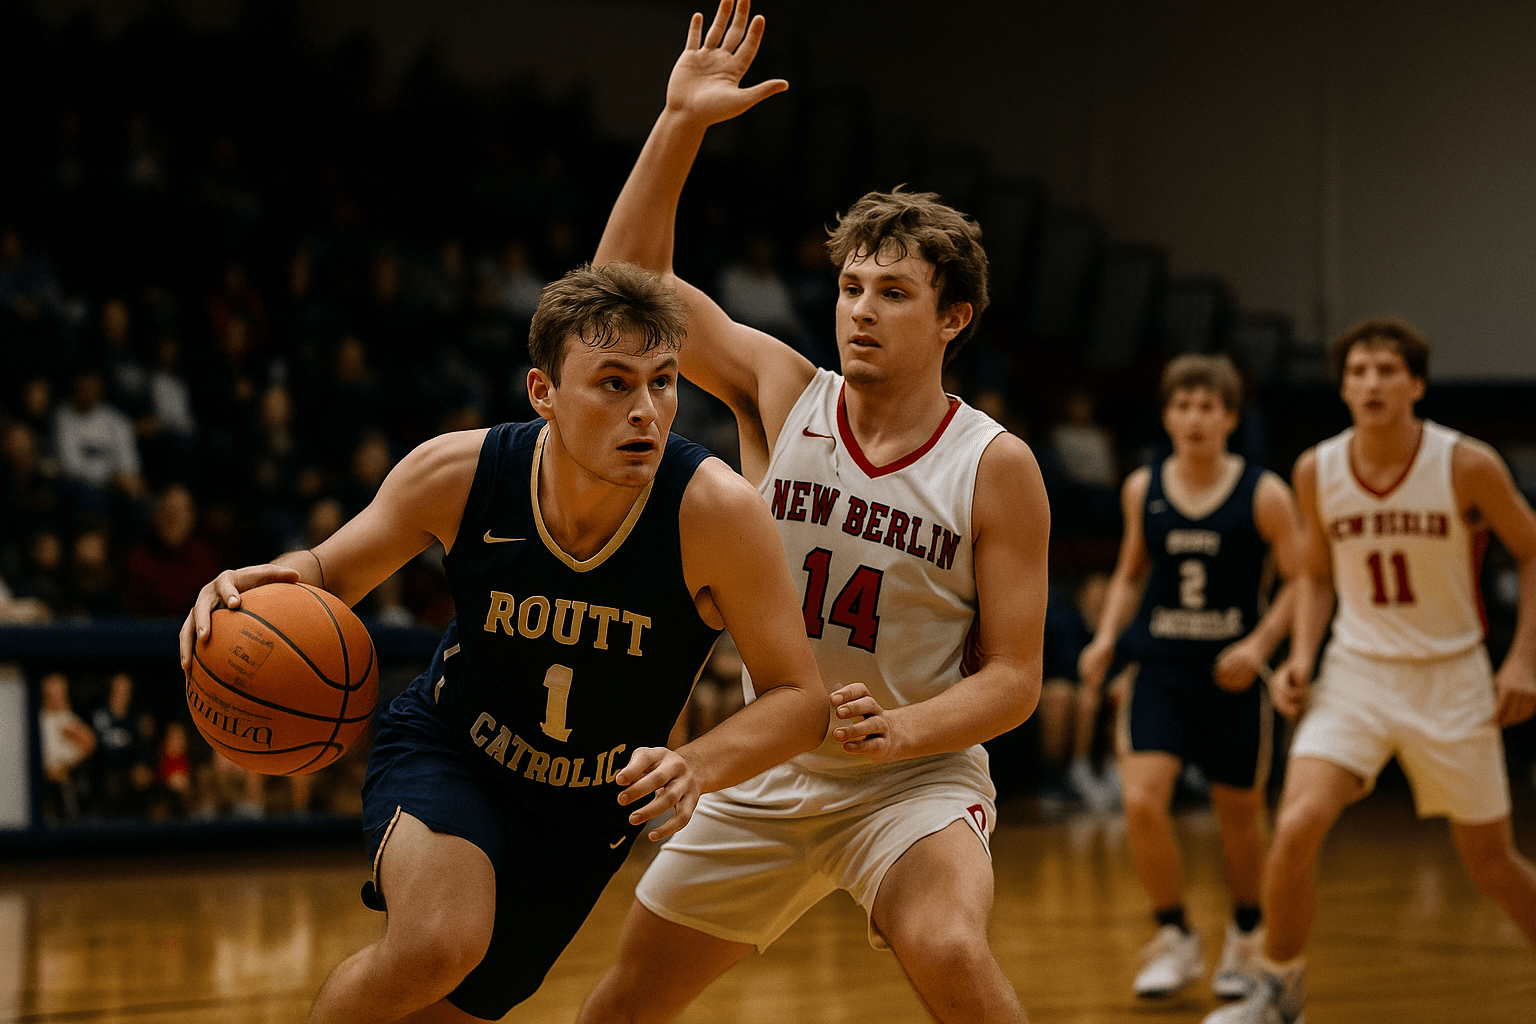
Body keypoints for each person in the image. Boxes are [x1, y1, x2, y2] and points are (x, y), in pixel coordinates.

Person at [178, 261, 828, 1023]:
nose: (647, 410)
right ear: (543, 392)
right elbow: (327, 570)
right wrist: (264, 582)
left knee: (444, 1003)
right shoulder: (459, 472)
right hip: (454, 750)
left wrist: (694, 764)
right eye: (614, 383)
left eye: (663, 381)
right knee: (439, 943)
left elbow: (800, 698)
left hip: (584, 813)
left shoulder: (716, 514)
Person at [580, 4, 1049, 1022]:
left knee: (951, 950)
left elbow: (1015, 679)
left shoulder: (996, 464)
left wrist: (904, 730)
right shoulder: (781, 390)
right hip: (766, 762)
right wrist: (679, 125)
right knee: (620, 1007)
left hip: (910, 779)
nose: (861, 309)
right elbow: (623, 291)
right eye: (849, 286)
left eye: (892, 291)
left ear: (953, 316)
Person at [1204, 316, 1536, 1024]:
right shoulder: (1316, 470)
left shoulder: (1466, 463)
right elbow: (1318, 578)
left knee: (1492, 863)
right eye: (1358, 371)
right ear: (1343, 387)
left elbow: (1533, 551)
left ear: (1415, 384)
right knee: (1295, 828)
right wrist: (1299, 658)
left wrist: (1524, 660)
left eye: (1387, 370)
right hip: (1356, 672)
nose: (1371, 383)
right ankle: (1277, 987)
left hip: (1452, 676)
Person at [1078, 354, 1303, 1000]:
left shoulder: (1264, 492)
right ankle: (1175, 933)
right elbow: (1128, 573)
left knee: (1239, 815)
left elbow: (1300, 579)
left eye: (1209, 406)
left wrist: (1260, 645)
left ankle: (1247, 934)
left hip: (1233, 678)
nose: (1195, 418)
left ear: (1230, 417)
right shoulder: (1141, 489)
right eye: (1184, 405)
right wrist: (1105, 640)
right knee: (1143, 801)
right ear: (1167, 415)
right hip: (1161, 670)